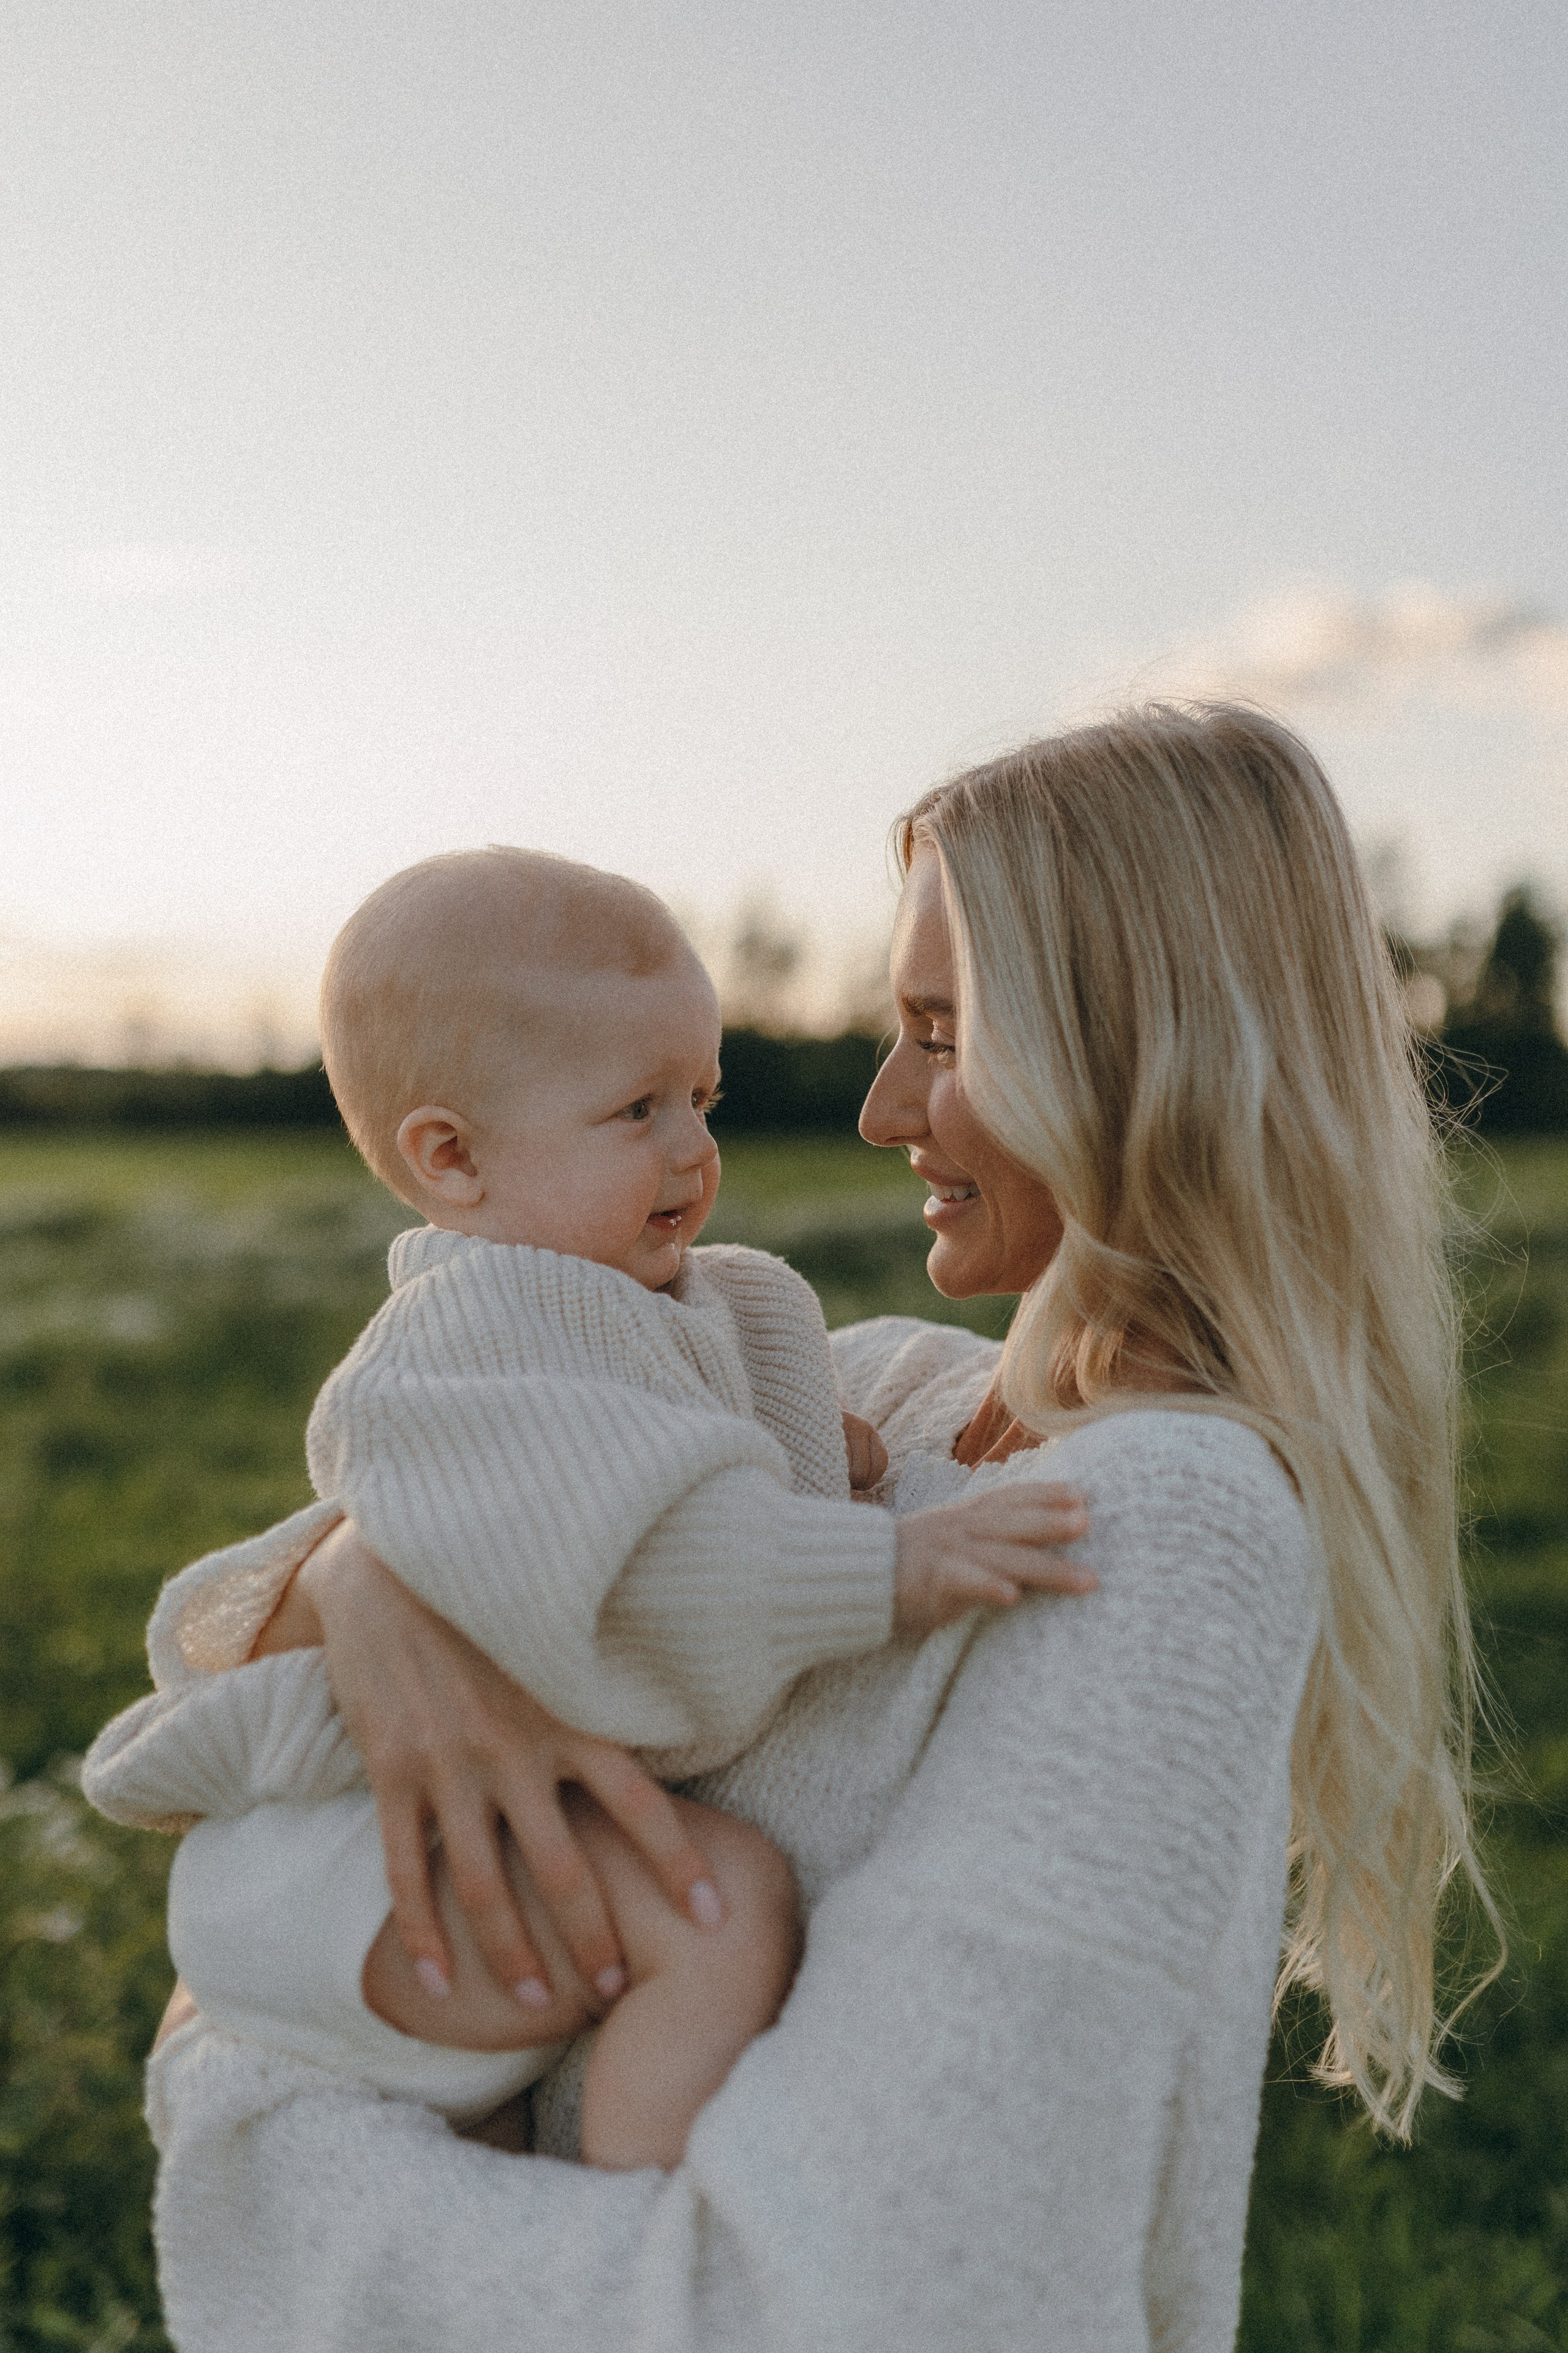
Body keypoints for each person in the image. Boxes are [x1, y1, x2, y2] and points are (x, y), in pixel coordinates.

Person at [129, 705, 1496, 2352]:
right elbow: (427, 1528)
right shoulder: (877, 1396)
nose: (876, 1104)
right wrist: (369, 1582)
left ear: (1136, 1059)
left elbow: (878, 2308)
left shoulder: (1166, 1531)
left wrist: (245, 2128)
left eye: (941, 1032)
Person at [83, 847, 1091, 2169]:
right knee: (722, 1906)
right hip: (353, 1865)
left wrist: (816, 1450)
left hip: (469, 1847)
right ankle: (647, 2230)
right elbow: (654, 1558)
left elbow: (699, 1452)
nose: (693, 1148)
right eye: (635, 1110)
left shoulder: (657, 1299)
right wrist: (892, 1561)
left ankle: (515, 2176)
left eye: (702, 1098)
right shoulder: (477, 1333)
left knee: (456, 2158)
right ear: (452, 1158)